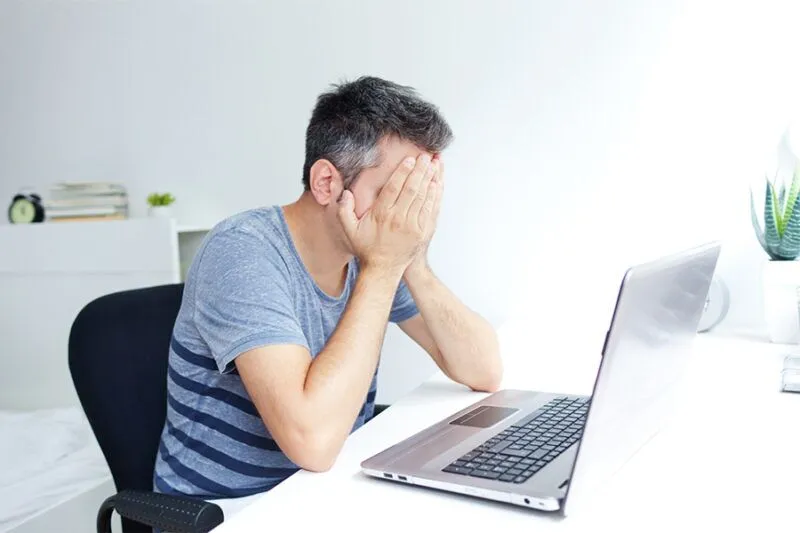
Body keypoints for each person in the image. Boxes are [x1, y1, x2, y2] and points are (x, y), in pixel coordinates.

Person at [153, 76, 503, 500]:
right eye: (395, 192)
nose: (403, 212)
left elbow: (483, 370)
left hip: (327, 493)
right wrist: (385, 266)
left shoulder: (373, 253)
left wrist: (416, 262)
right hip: (233, 510)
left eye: (416, 194)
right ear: (326, 183)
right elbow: (312, 444)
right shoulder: (242, 251)